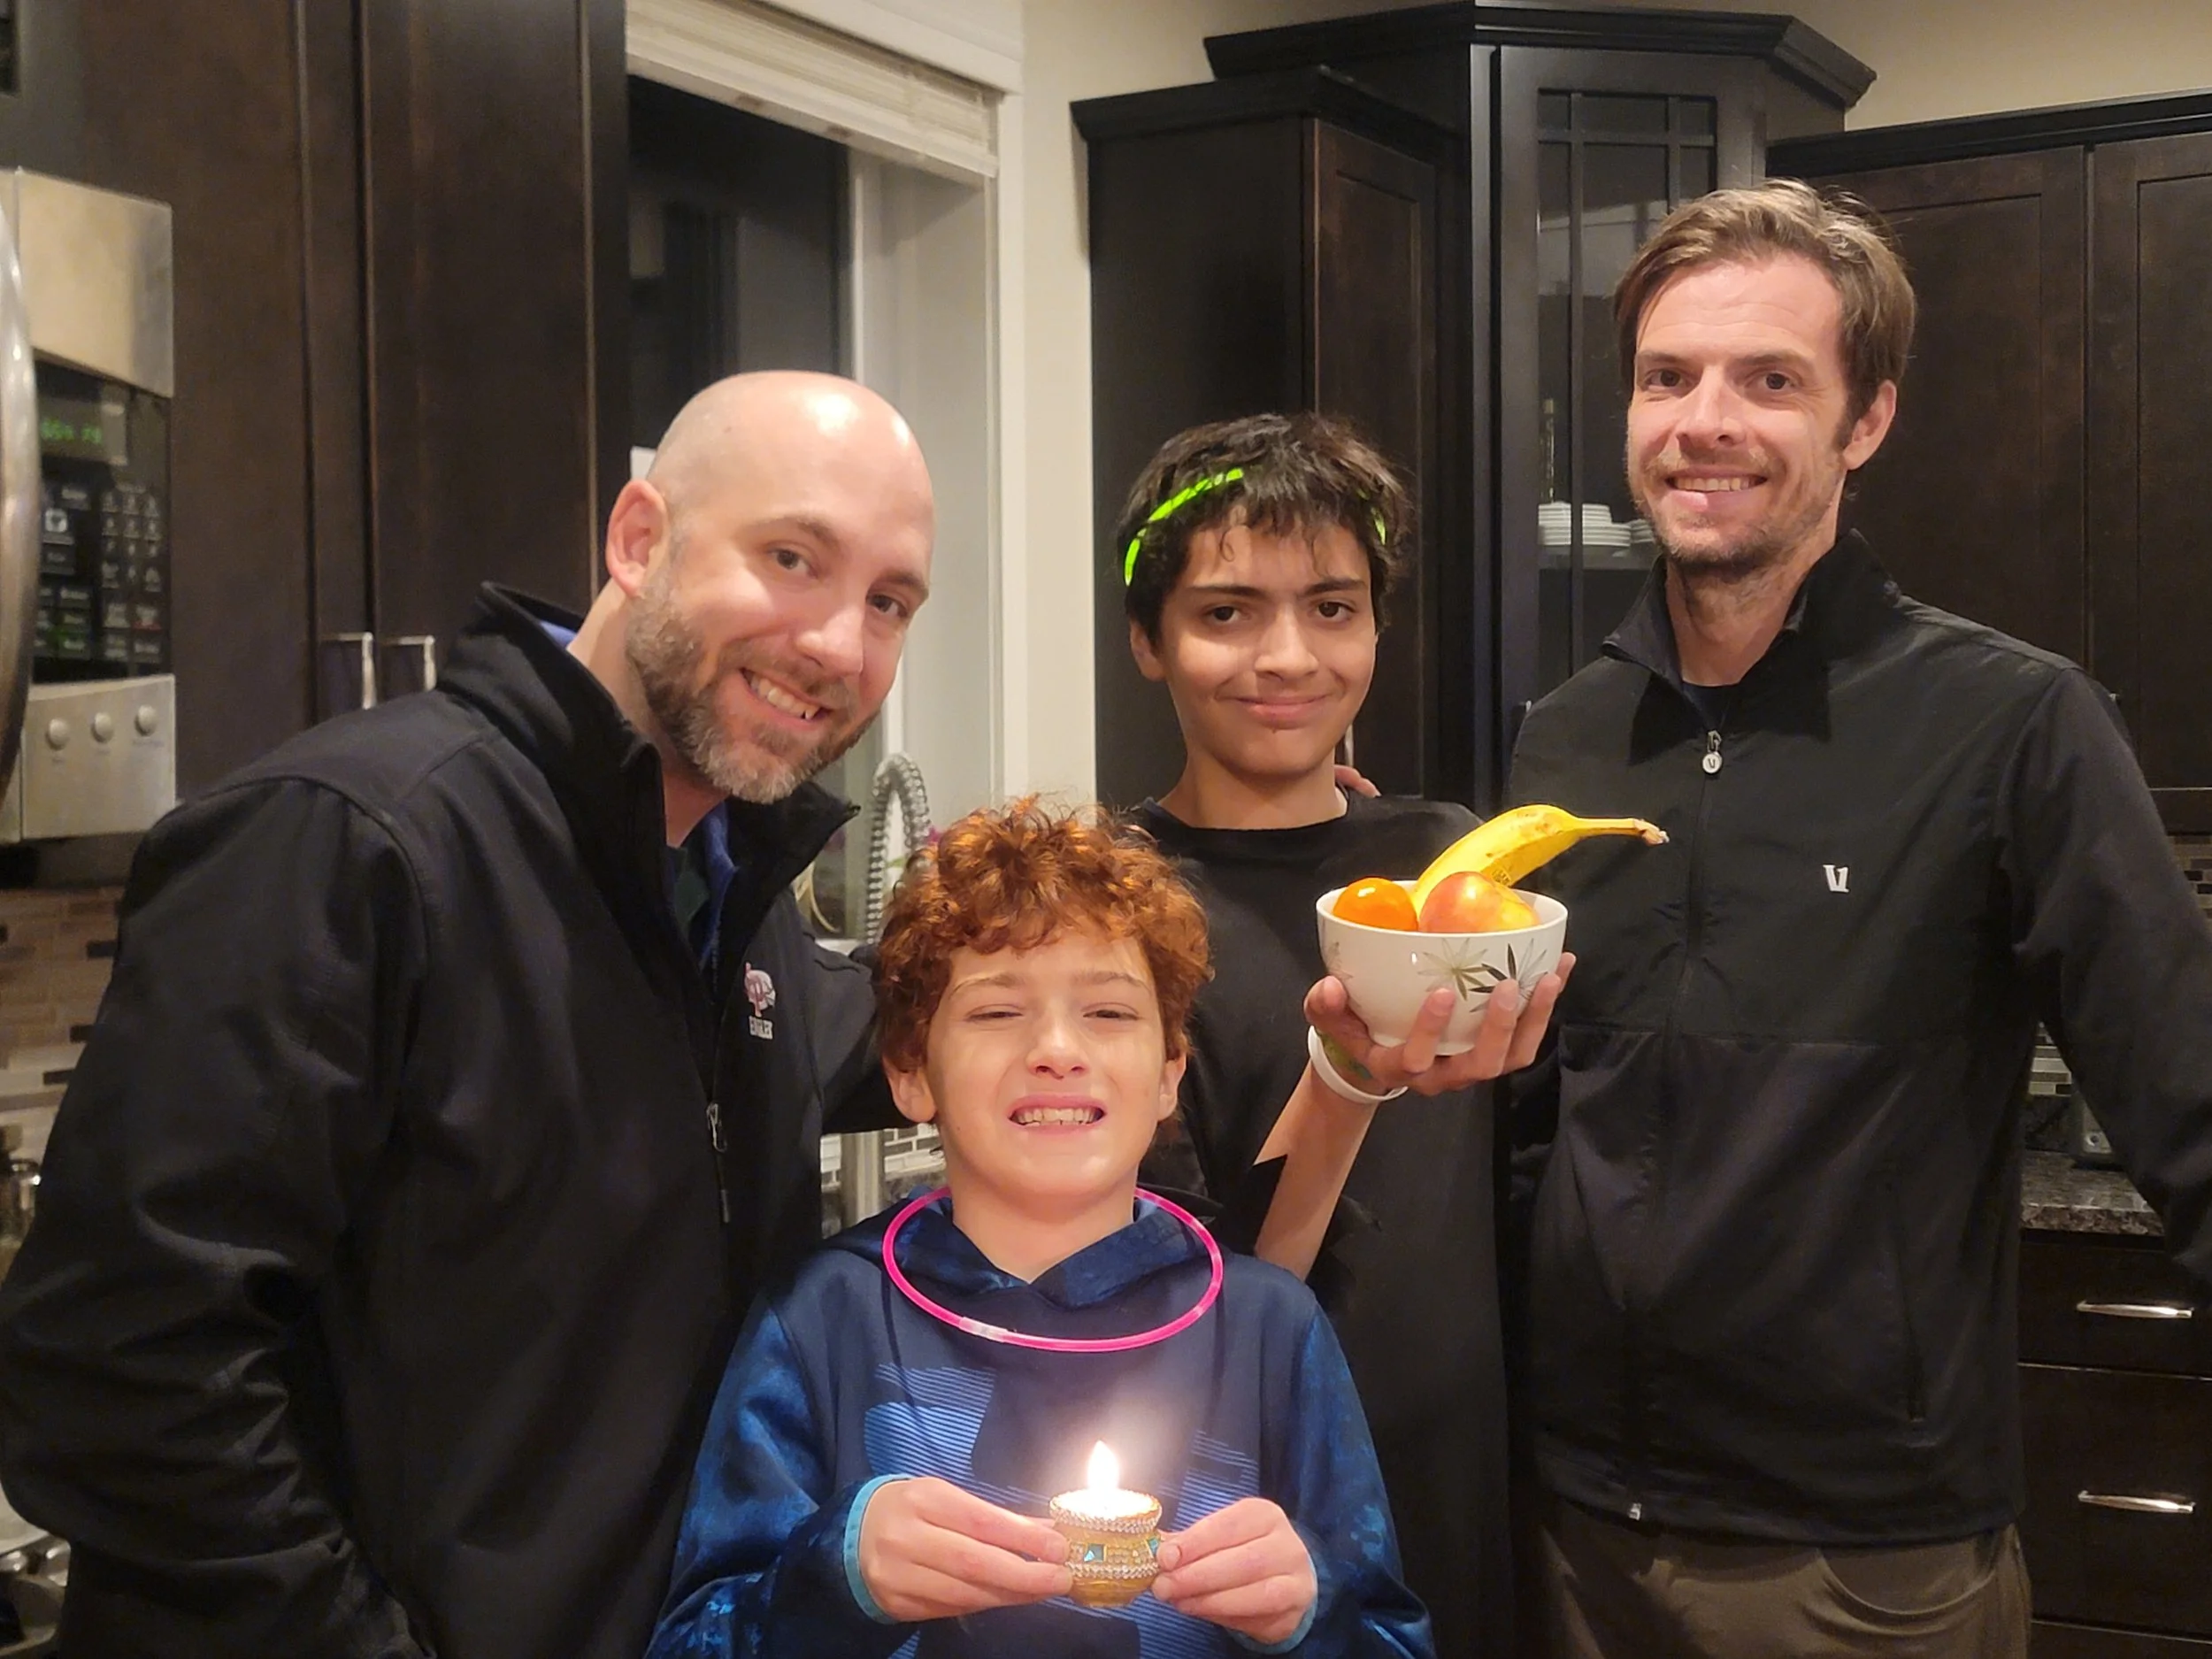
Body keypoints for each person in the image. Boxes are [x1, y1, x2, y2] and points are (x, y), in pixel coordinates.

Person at [0, 372, 935, 1658]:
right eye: (792, 557)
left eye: (889, 600)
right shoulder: (348, 840)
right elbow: (119, 1371)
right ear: (639, 538)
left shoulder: (728, 889)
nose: (839, 643)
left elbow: (838, 1047)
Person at [1502, 179, 2212, 1657]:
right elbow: (1536, 1119)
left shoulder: (2013, 724)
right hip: (1570, 1527)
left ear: (1865, 420)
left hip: (1859, 1561)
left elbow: (2187, 1091)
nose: (1706, 423)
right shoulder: (1563, 742)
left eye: (1772, 380)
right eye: (1666, 377)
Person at [648, 800, 1433, 1658]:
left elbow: (1389, 1637)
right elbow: (692, 1641)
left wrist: (1309, 1614)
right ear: (911, 1072)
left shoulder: (1268, 1329)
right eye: (995, 1013)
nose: (1057, 1049)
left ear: (1171, 1070)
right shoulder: (822, 1318)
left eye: (1108, 1013)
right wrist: (831, 1578)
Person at [1117, 412, 1568, 1659]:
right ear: (1147, 640)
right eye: (1225, 613)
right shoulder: (1107, 898)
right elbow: (1172, 1275)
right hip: (1216, 1491)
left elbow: (1528, 1183)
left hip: (1452, 1467)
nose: (1286, 656)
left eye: (1332, 606)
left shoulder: (1450, 870)